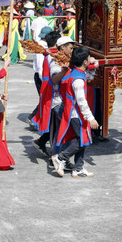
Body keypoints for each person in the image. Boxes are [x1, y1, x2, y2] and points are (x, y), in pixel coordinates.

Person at [52, 47, 99, 178]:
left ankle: (78, 168)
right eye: (89, 57)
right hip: (75, 113)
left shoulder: (77, 72)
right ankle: (61, 158)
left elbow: (90, 75)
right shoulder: (77, 79)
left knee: (82, 139)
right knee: (83, 140)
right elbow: (81, 101)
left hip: (75, 113)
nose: (91, 59)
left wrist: (95, 63)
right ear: (85, 61)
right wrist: (90, 118)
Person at [33, 33, 72, 158]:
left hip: (56, 95)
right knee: (56, 126)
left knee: (55, 125)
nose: (72, 50)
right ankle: (55, 156)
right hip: (54, 96)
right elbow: (52, 78)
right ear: (59, 45)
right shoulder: (53, 58)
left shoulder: (53, 56)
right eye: (70, 47)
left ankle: (42, 142)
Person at [28, 26, 53, 126]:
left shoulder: (44, 46)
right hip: (41, 76)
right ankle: (33, 118)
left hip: (43, 76)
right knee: (45, 99)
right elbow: (40, 66)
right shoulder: (41, 48)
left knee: (45, 99)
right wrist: (44, 80)